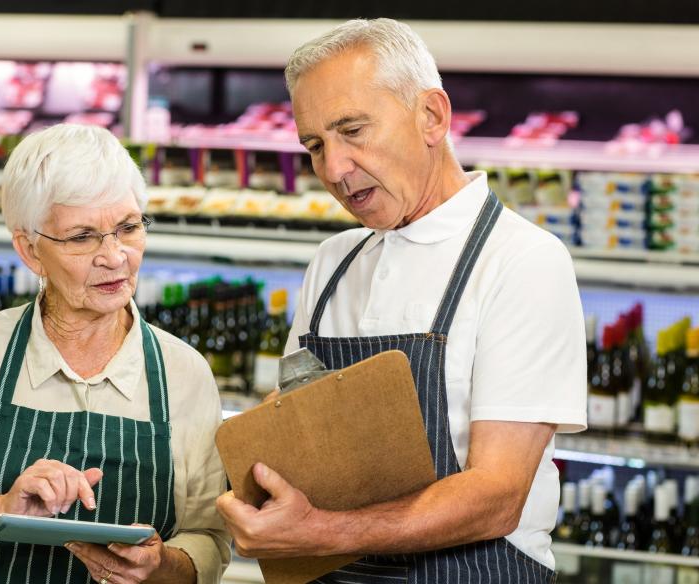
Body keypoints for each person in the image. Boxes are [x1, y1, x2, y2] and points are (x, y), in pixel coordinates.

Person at [215, 18, 586, 583]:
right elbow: (289, 437)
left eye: (353, 130)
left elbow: (497, 497)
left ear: (432, 116)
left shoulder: (521, 261)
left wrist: (323, 531)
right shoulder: (333, 265)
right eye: (315, 145)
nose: (334, 170)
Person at [0, 124, 230, 584]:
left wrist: (162, 566)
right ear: (29, 249)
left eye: (128, 228)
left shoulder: (183, 372)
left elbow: (208, 538)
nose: (114, 256)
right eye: (83, 237)